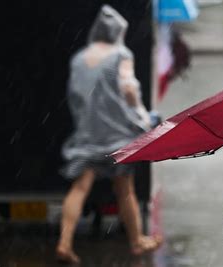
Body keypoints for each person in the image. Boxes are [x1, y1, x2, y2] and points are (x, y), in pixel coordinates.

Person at [56, 5, 161, 263]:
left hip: (88, 135)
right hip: (117, 134)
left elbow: (75, 95)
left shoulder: (80, 58)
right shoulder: (120, 54)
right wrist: (142, 116)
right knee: (125, 189)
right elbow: (128, 88)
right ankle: (137, 241)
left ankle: (64, 243)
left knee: (79, 188)